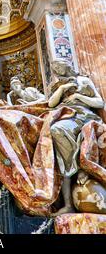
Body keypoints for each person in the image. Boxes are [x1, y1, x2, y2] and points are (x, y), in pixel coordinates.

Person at [48, 58, 104, 215]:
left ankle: (74, 171)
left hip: (83, 116)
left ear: (68, 64)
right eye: (55, 68)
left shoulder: (83, 80)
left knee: (62, 149)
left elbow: (99, 102)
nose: (57, 69)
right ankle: (77, 169)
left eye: (59, 65)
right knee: (56, 130)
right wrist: (62, 88)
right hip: (66, 117)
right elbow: (51, 104)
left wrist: (78, 97)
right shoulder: (57, 86)